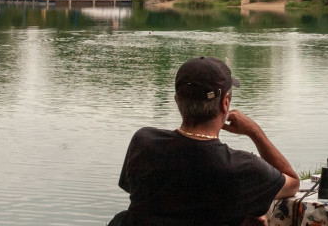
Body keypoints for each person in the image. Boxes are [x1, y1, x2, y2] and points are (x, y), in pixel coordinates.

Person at [111, 57, 301, 226]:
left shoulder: (143, 142)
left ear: (177, 100)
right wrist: (254, 131)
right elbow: (292, 183)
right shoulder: (243, 168)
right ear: (225, 103)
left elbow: (148, 198)